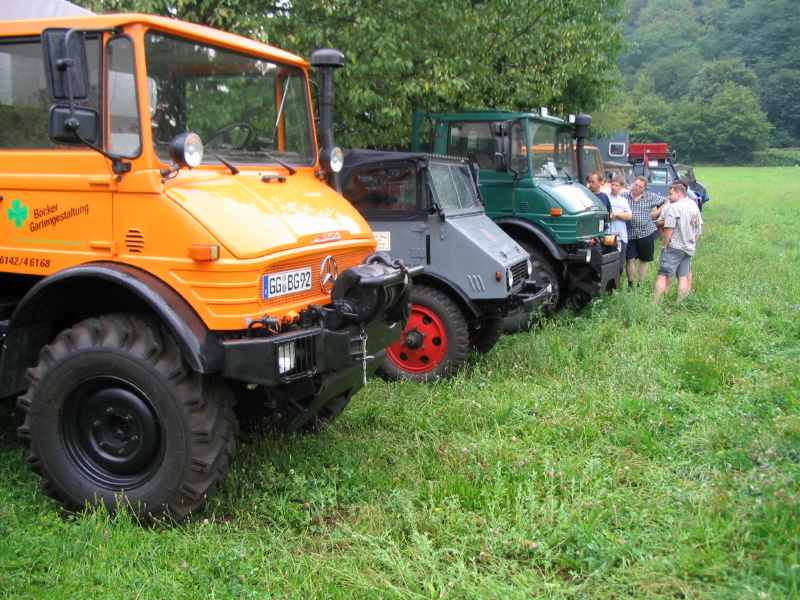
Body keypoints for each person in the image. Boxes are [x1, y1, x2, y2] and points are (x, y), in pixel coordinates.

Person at [653, 181, 703, 303]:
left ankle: (654, 303)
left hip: (674, 247)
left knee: (663, 275)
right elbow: (699, 230)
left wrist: (664, 245)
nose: (669, 197)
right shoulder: (694, 206)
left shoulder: (674, 207)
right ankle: (680, 303)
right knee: (683, 277)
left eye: (670, 194)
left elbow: (669, 229)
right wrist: (692, 244)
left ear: (679, 193)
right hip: (688, 248)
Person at [623, 176, 665, 288]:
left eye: (639, 186)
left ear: (644, 189)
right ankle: (630, 284)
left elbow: (666, 201)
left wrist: (657, 212)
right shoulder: (624, 196)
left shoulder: (650, 197)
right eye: (635, 184)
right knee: (629, 259)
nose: (636, 187)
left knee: (644, 259)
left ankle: (640, 284)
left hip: (646, 232)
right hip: (630, 233)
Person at [606, 175, 632, 264]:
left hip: (621, 236)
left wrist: (616, 214)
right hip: (608, 235)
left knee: (620, 264)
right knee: (608, 262)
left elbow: (629, 216)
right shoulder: (606, 198)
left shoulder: (623, 200)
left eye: (616, 185)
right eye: (612, 184)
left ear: (621, 187)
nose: (613, 187)